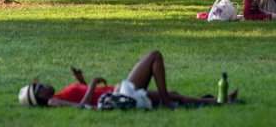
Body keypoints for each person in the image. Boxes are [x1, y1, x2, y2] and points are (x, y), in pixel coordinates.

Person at [18, 50, 237, 109]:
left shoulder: (57, 95)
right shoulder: (54, 101)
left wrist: (82, 81)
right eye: (40, 87)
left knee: (174, 95)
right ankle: (168, 104)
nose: (45, 85)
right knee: (154, 56)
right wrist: (92, 84)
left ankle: (219, 101)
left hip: (117, 92)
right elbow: (82, 107)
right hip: (119, 95)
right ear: (40, 98)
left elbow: (84, 98)